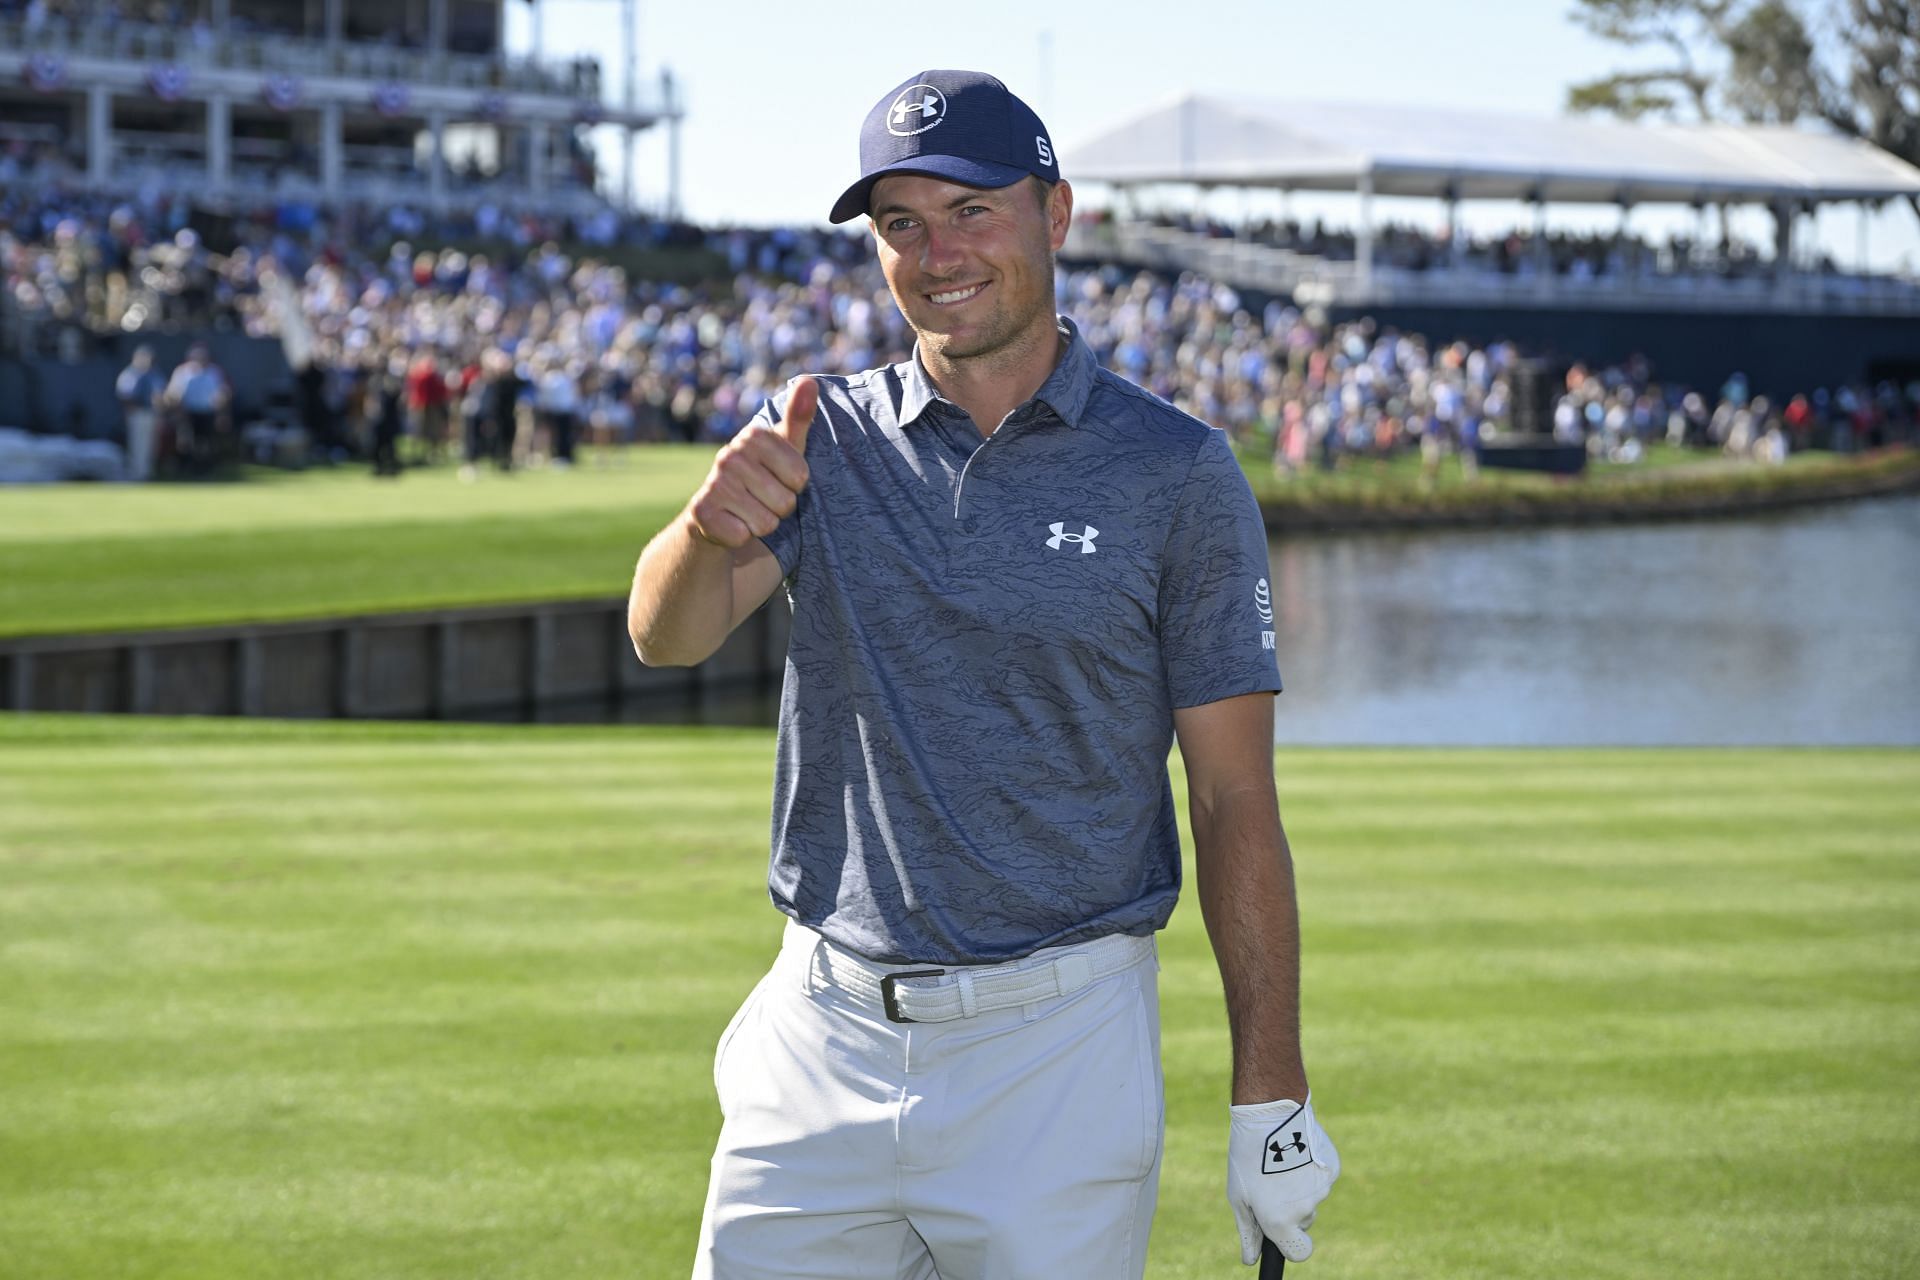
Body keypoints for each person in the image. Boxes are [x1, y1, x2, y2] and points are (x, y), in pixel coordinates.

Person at [628, 70, 1337, 1280]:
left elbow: (1232, 799)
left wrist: (1268, 1088)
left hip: (1056, 1050)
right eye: (901, 223)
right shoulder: (820, 433)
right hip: (823, 1034)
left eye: (970, 209)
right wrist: (705, 534)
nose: (935, 251)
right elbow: (665, 635)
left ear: (1055, 217)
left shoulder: (1176, 471)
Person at [114, 344, 164, 481]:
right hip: (136, 413)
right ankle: (135, 475)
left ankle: (147, 473)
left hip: (151, 413)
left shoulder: (154, 373)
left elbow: (159, 394)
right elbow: (125, 395)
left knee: (150, 446)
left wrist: (159, 410)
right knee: (137, 445)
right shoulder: (130, 374)